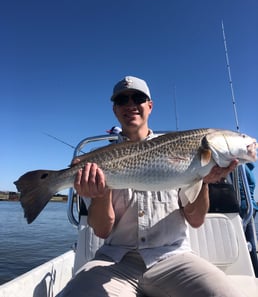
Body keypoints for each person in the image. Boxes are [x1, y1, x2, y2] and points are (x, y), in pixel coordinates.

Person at [59, 76, 243, 297]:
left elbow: (195, 220)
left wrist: (202, 180)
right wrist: (99, 194)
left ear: (150, 105)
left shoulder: (182, 148)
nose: (130, 105)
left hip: (173, 258)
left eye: (138, 98)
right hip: (115, 261)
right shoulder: (100, 161)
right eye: (122, 100)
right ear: (115, 110)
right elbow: (102, 230)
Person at [240, 162, 258, 277]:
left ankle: (254, 273)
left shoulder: (242, 168)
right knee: (250, 243)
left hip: (245, 208)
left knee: (248, 243)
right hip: (249, 207)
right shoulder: (247, 169)